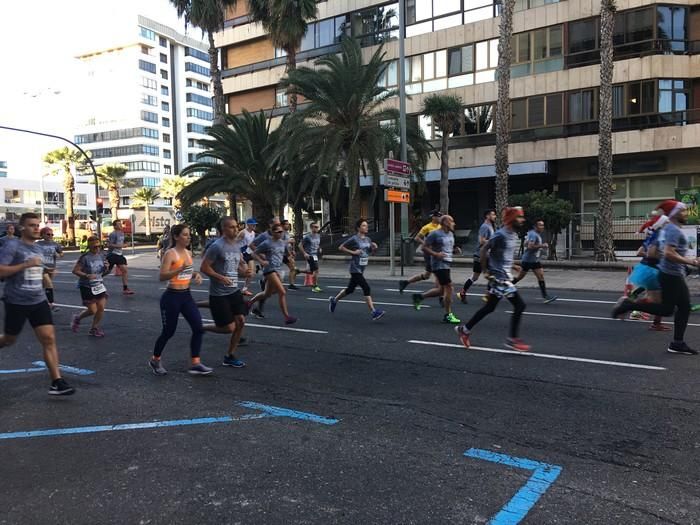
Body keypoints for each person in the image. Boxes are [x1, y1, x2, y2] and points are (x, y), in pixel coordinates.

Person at [0, 212, 75, 395]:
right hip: (16, 301)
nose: (36, 228)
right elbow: (1, 271)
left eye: (37, 224)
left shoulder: (38, 249)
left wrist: (47, 272)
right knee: (9, 340)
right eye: (32, 225)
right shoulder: (12, 246)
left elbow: (39, 271)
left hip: (38, 300)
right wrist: (25, 265)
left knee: (49, 338)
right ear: (22, 228)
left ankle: (57, 382)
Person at [612, 200, 699, 355]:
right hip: (670, 274)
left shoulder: (671, 229)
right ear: (674, 213)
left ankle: (677, 343)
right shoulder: (673, 230)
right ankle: (628, 305)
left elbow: (664, 251)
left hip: (674, 273)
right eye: (683, 211)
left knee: (684, 307)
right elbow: (668, 253)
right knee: (667, 309)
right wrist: (691, 262)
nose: (686, 213)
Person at [455, 207, 530, 351]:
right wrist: (485, 271)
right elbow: (484, 249)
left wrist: (513, 265)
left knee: (489, 307)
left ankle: (464, 330)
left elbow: (503, 255)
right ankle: (512, 339)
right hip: (499, 278)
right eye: (520, 217)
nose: (522, 220)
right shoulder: (500, 234)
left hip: (504, 276)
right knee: (520, 305)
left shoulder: (512, 234)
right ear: (512, 218)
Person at [149, 224, 212, 376]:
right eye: (185, 234)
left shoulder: (188, 252)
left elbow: (187, 272)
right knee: (168, 332)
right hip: (171, 297)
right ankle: (155, 359)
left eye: (189, 234)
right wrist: (179, 269)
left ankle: (195, 363)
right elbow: (162, 276)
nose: (189, 237)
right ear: (176, 237)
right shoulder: (170, 254)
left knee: (198, 328)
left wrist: (195, 275)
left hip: (186, 296)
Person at [200, 217, 252, 368]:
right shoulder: (217, 246)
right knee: (229, 328)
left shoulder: (236, 246)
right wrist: (220, 277)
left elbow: (236, 269)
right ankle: (201, 327)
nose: (235, 230)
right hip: (219, 294)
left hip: (234, 291)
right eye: (231, 227)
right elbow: (204, 268)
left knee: (241, 322)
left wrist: (245, 272)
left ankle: (229, 355)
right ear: (224, 229)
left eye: (236, 227)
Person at [328, 219, 385, 320]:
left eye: (366, 225)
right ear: (358, 228)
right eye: (363, 226)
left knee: (350, 289)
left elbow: (369, 252)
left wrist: (374, 248)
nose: (366, 227)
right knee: (366, 288)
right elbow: (341, 247)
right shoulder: (354, 239)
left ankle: (334, 300)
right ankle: (374, 312)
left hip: (362, 268)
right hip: (355, 268)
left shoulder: (368, 239)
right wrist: (353, 252)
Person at [413, 214, 461, 324]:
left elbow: (447, 249)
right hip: (438, 265)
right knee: (449, 287)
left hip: (447, 264)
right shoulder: (435, 234)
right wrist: (435, 254)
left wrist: (455, 251)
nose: (454, 223)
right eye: (452, 221)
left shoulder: (450, 234)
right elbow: (424, 247)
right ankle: (448, 315)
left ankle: (419, 297)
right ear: (445, 222)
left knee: (441, 290)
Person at [626, 214, 670, 330]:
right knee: (657, 300)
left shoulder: (653, 236)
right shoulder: (658, 236)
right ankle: (631, 306)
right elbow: (647, 253)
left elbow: (642, 252)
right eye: (667, 223)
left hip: (650, 269)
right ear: (662, 224)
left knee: (657, 298)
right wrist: (662, 256)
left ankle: (655, 322)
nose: (669, 224)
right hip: (652, 269)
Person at [248, 224, 298, 324]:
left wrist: (291, 256)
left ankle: (249, 303)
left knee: (267, 293)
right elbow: (253, 253)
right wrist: (261, 262)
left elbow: (286, 254)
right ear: (273, 232)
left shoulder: (282, 243)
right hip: (269, 270)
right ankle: (287, 317)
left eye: (282, 231)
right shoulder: (267, 243)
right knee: (282, 292)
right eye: (278, 232)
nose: (281, 233)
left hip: (278, 270)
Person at [71, 236, 110, 337]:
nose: (97, 247)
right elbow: (75, 271)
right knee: (93, 310)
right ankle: (78, 318)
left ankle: (94, 328)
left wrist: (107, 268)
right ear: (89, 246)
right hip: (87, 286)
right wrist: (87, 275)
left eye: (98, 245)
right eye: (94, 246)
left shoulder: (102, 256)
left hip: (99, 285)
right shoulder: (85, 258)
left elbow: (103, 273)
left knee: (101, 308)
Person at [511, 220, 558, 303]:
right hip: (528, 261)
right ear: (535, 226)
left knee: (541, 276)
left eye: (543, 225)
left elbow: (526, 244)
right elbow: (529, 246)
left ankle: (546, 296)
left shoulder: (533, 233)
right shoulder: (533, 234)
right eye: (540, 225)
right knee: (519, 278)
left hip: (535, 261)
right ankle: (504, 288)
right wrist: (542, 245)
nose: (542, 227)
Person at [398, 210, 442, 293]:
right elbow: (417, 238)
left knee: (426, 275)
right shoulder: (427, 227)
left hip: (437, 253)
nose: (439, 218)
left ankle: (405, 282)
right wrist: (425, 243)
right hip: (429, 253)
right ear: (433, 217)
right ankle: (441, 296)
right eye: (438, 216)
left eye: (440, 216)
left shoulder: (441, 227)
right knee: (437, 273)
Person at [459, 209, 496, 303]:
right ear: (487, 216)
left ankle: (487, 295)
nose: (495, 216)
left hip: (486, 255)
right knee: (477, 276)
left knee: (490, 274)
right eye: (493, 214)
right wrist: (493, 242)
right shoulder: (484, 226)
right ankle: (463, 292)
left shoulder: (490, 226)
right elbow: (481, 240)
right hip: (481, 255)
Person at [36, 227, 64, 312]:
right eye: (48, 234)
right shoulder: (38, 244)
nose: (50, 236)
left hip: (52, 268)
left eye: (52, 234)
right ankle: (52, 304)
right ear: (43, 235)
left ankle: (34, 300)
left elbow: (61, 253)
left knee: (42, 286)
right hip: (42, 268)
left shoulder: (55, 244)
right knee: (49, 285)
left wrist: (59, 255)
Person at [106, 220, 134, 295]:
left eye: (120, 224)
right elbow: (109, 245)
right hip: (112, 254)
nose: (120, 225)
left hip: (119, 255)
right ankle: (95, 279)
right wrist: (122, 246)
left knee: (124, 270)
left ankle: (125, 288)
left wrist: (125, 244)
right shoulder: (113, 234)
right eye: (118, 224)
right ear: (114, 226)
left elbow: (120, 243)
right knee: (107, 271)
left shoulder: (122, 233)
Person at [298, 221, 322, 292]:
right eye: (315, 227)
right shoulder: (307, 237)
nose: (317, 228)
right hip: (310, 255)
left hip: (315, 256)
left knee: (312, 271)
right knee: (316, 271)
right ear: (311, 228)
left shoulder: (318, 235)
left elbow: (317, 244)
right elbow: (299, 245)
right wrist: (305, 253)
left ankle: (297, 271)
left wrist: (319, 248)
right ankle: (314, 287)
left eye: (317, 227)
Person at [241, 218, 258, 296]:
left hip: (249, 254)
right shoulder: (243, 233)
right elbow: (235, 242)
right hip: (242, 254)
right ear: (248, 224)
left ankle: (245, 289)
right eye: (253, 224)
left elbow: (252, 244)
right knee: (246, 273)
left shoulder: (253, 233)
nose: (254, 226)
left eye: (255, 224)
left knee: (251, 273)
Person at [281, 219, 299, 290]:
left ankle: (291, 284)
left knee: (293, 268)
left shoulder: (288, 233)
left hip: (287, 254)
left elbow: (289, 244)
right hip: (280, 254)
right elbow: (279, 242)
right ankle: (266, 281)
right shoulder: (281, 233)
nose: (288, 225)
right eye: (286, 224)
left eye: (288, 224)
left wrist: (292, 251)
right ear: (282, 225)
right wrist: (288, 241)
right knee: (275, 270)